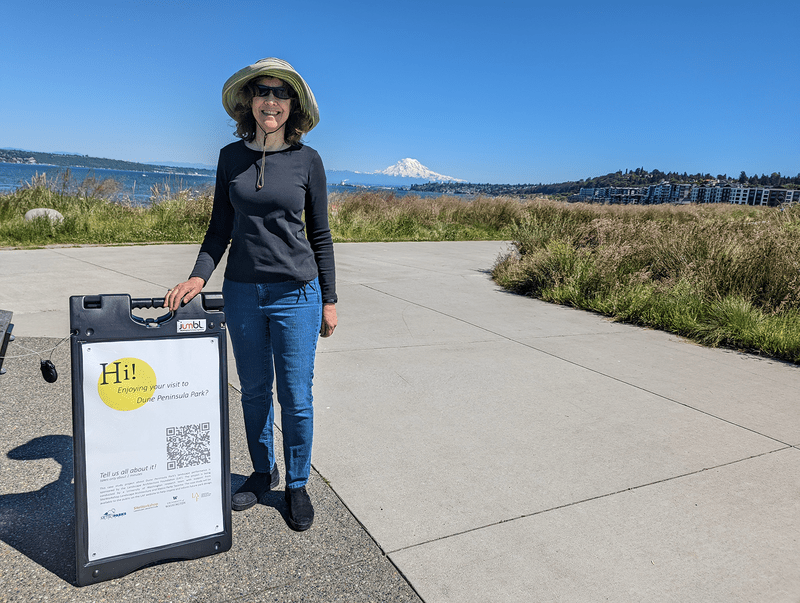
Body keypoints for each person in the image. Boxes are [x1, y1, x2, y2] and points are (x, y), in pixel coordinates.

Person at [165, 57, 337, 532]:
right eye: (263, 91)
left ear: (292, 106)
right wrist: (198, 276)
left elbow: (320, 235)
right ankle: (264, 472)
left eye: (281, 94)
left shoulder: (308, 160)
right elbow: (220, 227)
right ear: (250, 101)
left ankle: (296, 483)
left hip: (297, 293)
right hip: (241, 292)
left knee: (296, 396)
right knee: (255, 391)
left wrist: (330, 298)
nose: (271, 100)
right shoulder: (230, 157)